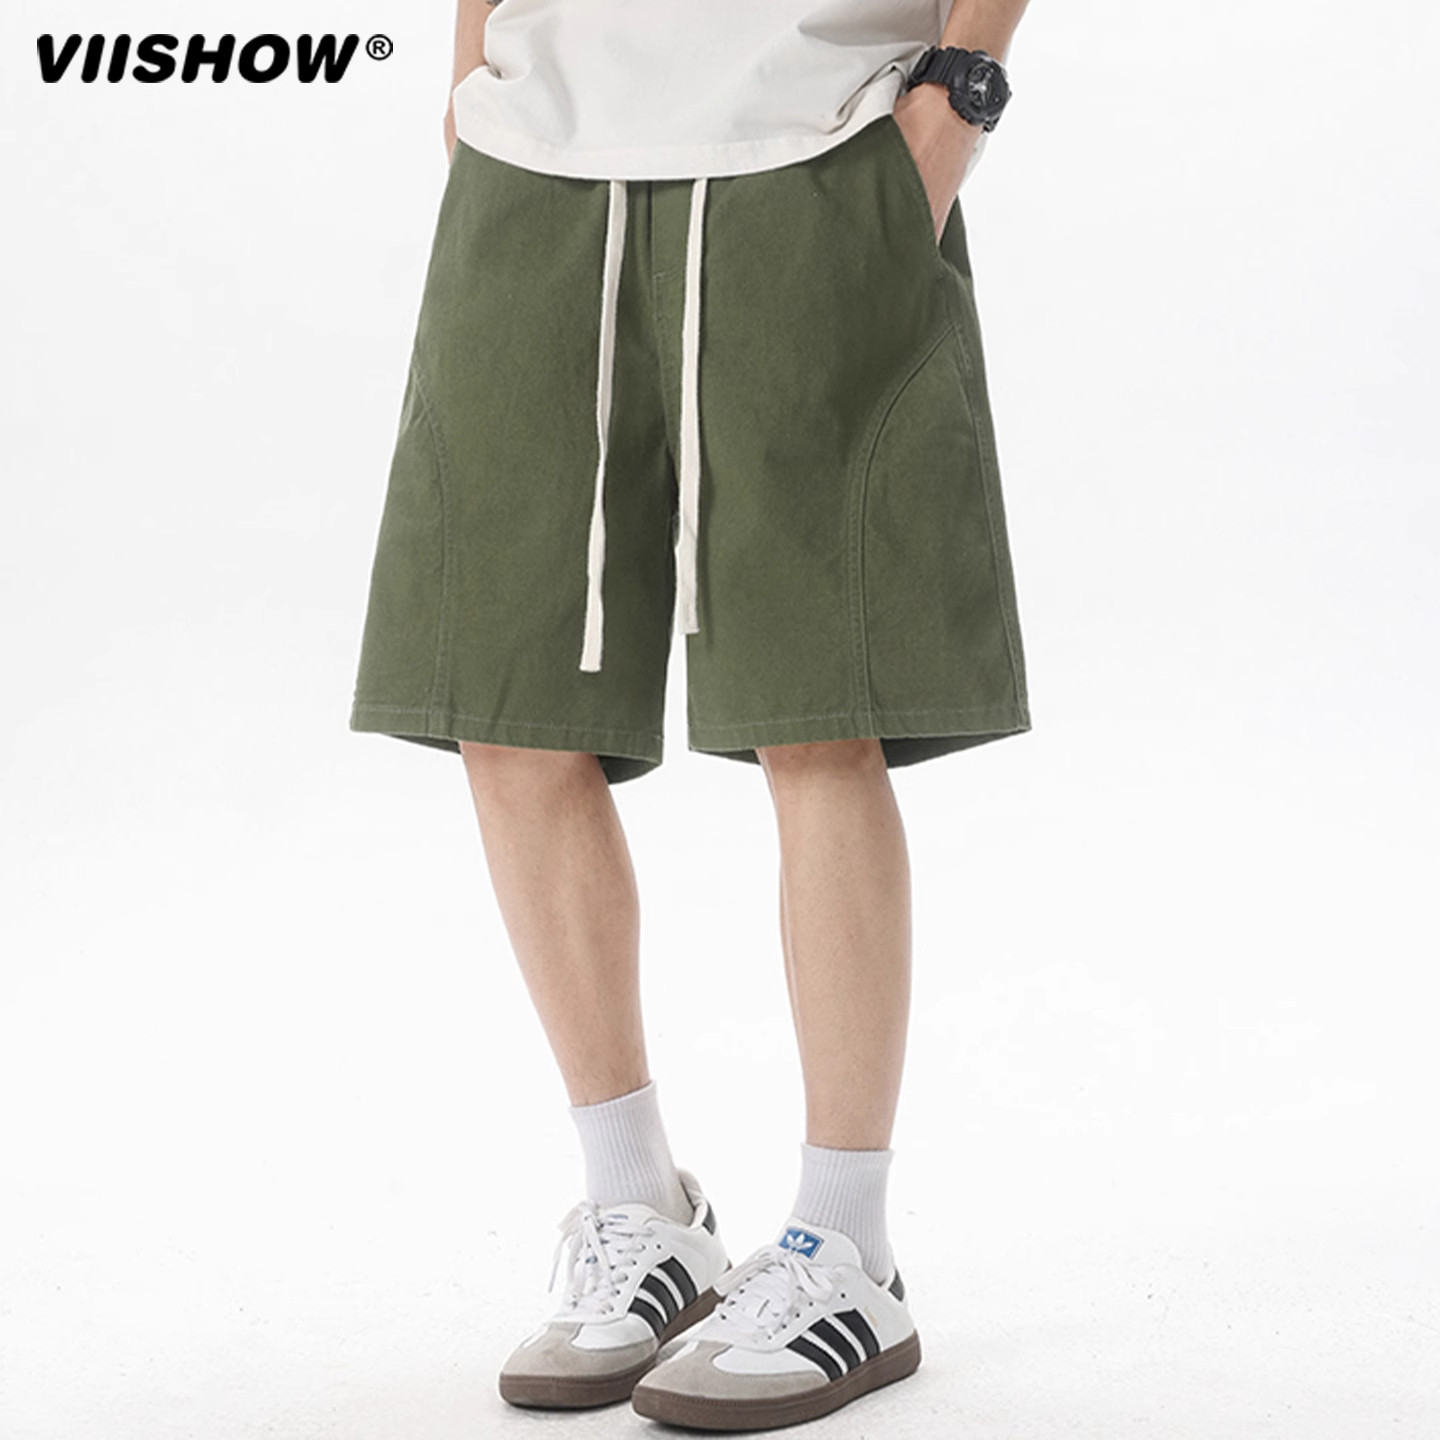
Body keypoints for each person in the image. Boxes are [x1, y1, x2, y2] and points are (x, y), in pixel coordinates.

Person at [349, 0, 1034, 1427]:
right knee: (508, 707)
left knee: (819, 710)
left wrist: (957, 97)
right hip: (535, 156)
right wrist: (472, 73)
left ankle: (846, 1246)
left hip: (818, 140)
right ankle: (638, 1209)